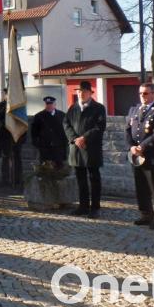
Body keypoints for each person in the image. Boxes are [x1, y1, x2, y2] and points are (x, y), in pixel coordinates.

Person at [125, 83, 154, 230]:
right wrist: (131, 146)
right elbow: (127, 129)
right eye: (140, 93)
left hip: (153, 156)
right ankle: (146, 214)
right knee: (141, 187)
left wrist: (142, 146)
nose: (142, 96)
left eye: (146, 93)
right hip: (136, 156)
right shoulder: (134, 109)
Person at [63, 81, 106, 219]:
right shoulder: (73, 108)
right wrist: (75, 139)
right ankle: (83, 206)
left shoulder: (98, 108)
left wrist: (84, 138)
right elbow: (66, 124)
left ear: (90, 93)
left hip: (91, 148)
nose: (80, 94)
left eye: (83, 91)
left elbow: (99, 127)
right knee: (80, 179)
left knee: (94, 179)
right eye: (79, 91)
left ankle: (95, 208)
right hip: (76, 148)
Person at [0, 89, 27, 188]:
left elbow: (22, 122)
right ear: (5, 95)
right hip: (5, 137)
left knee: (17, 158)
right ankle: (5, 181)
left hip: (17, 136)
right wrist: (8, 107)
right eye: (8, 95)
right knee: (6, 158)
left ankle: (18, 180)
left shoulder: (19, 107)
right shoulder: (0, 106)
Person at [31, 96, 68, 167]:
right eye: (47, 104)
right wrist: (37, 143)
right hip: (45, 148)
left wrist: (65, 142)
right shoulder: (39, 116)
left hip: (58, 147)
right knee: (45, 168)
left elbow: (66, 130)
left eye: (51, 104)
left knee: (59, 169)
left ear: (55, 105)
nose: (49, 106)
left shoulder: (62, 115)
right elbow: (34, 132)